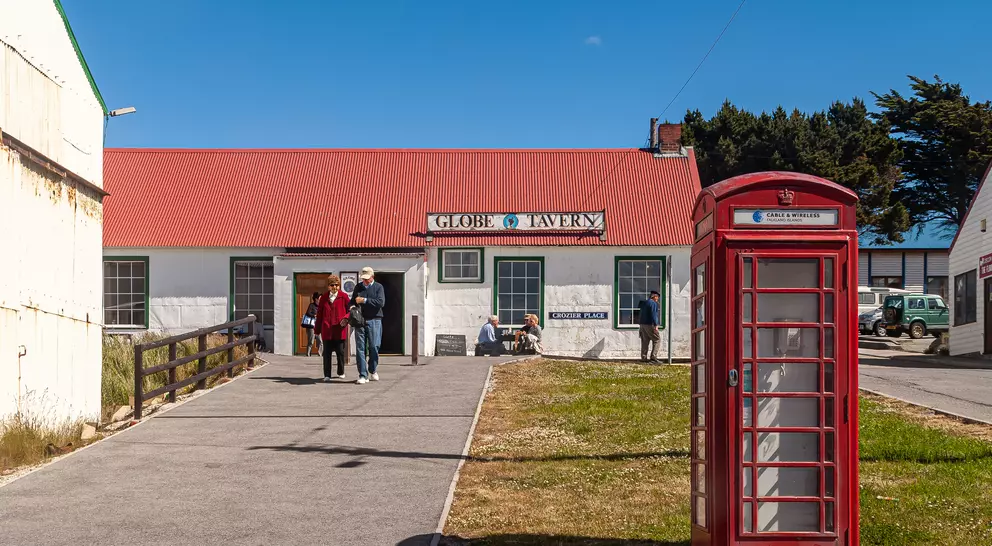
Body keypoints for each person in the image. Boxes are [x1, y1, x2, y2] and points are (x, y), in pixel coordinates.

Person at [350, 266, 385, 384]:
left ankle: (373, 369)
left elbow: (381, 302)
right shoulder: (358, 287)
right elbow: (352, 301)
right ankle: (363, 374)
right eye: (363, 279)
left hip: (374, 319)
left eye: (367, 279)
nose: (365, 281)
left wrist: (364, 300)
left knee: (374, 346)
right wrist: (351, 306)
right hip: (360, 320)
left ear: (372, 277)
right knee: (360, 348)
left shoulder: (378, 287)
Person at [315, 275, 350, 382]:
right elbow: (319, 314)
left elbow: (350, 311)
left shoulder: (344, 296)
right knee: (327, 353)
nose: (334, 287)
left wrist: (346, 318)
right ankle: (327, 374)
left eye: (336, 285)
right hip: (327, 330)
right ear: (328, 286)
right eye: (332, 285)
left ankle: (341, 371)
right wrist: (317, 330)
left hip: (339, 330)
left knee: (340, 352)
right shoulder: (324, 298)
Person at [639, 291, 661, 362]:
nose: (657, 299)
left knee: (645, 341)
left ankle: (643, 358)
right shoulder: (653, 303)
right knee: (657, 339)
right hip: (649, 324)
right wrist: (655, 325)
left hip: (642, 325)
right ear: (654, 296)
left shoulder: (644, 303)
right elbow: (653, 314)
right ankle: (653, 357)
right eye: (657, 297)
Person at [304, 292, 321, 357]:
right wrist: (314, 315)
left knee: (320, 340)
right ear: (316, 299)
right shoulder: (311, 305)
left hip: (319, 325)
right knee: (311, 340)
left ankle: (320, 354)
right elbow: (308, 313)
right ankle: (308, 354)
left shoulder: (321, 306)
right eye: (319, 298)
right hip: (311, 325)